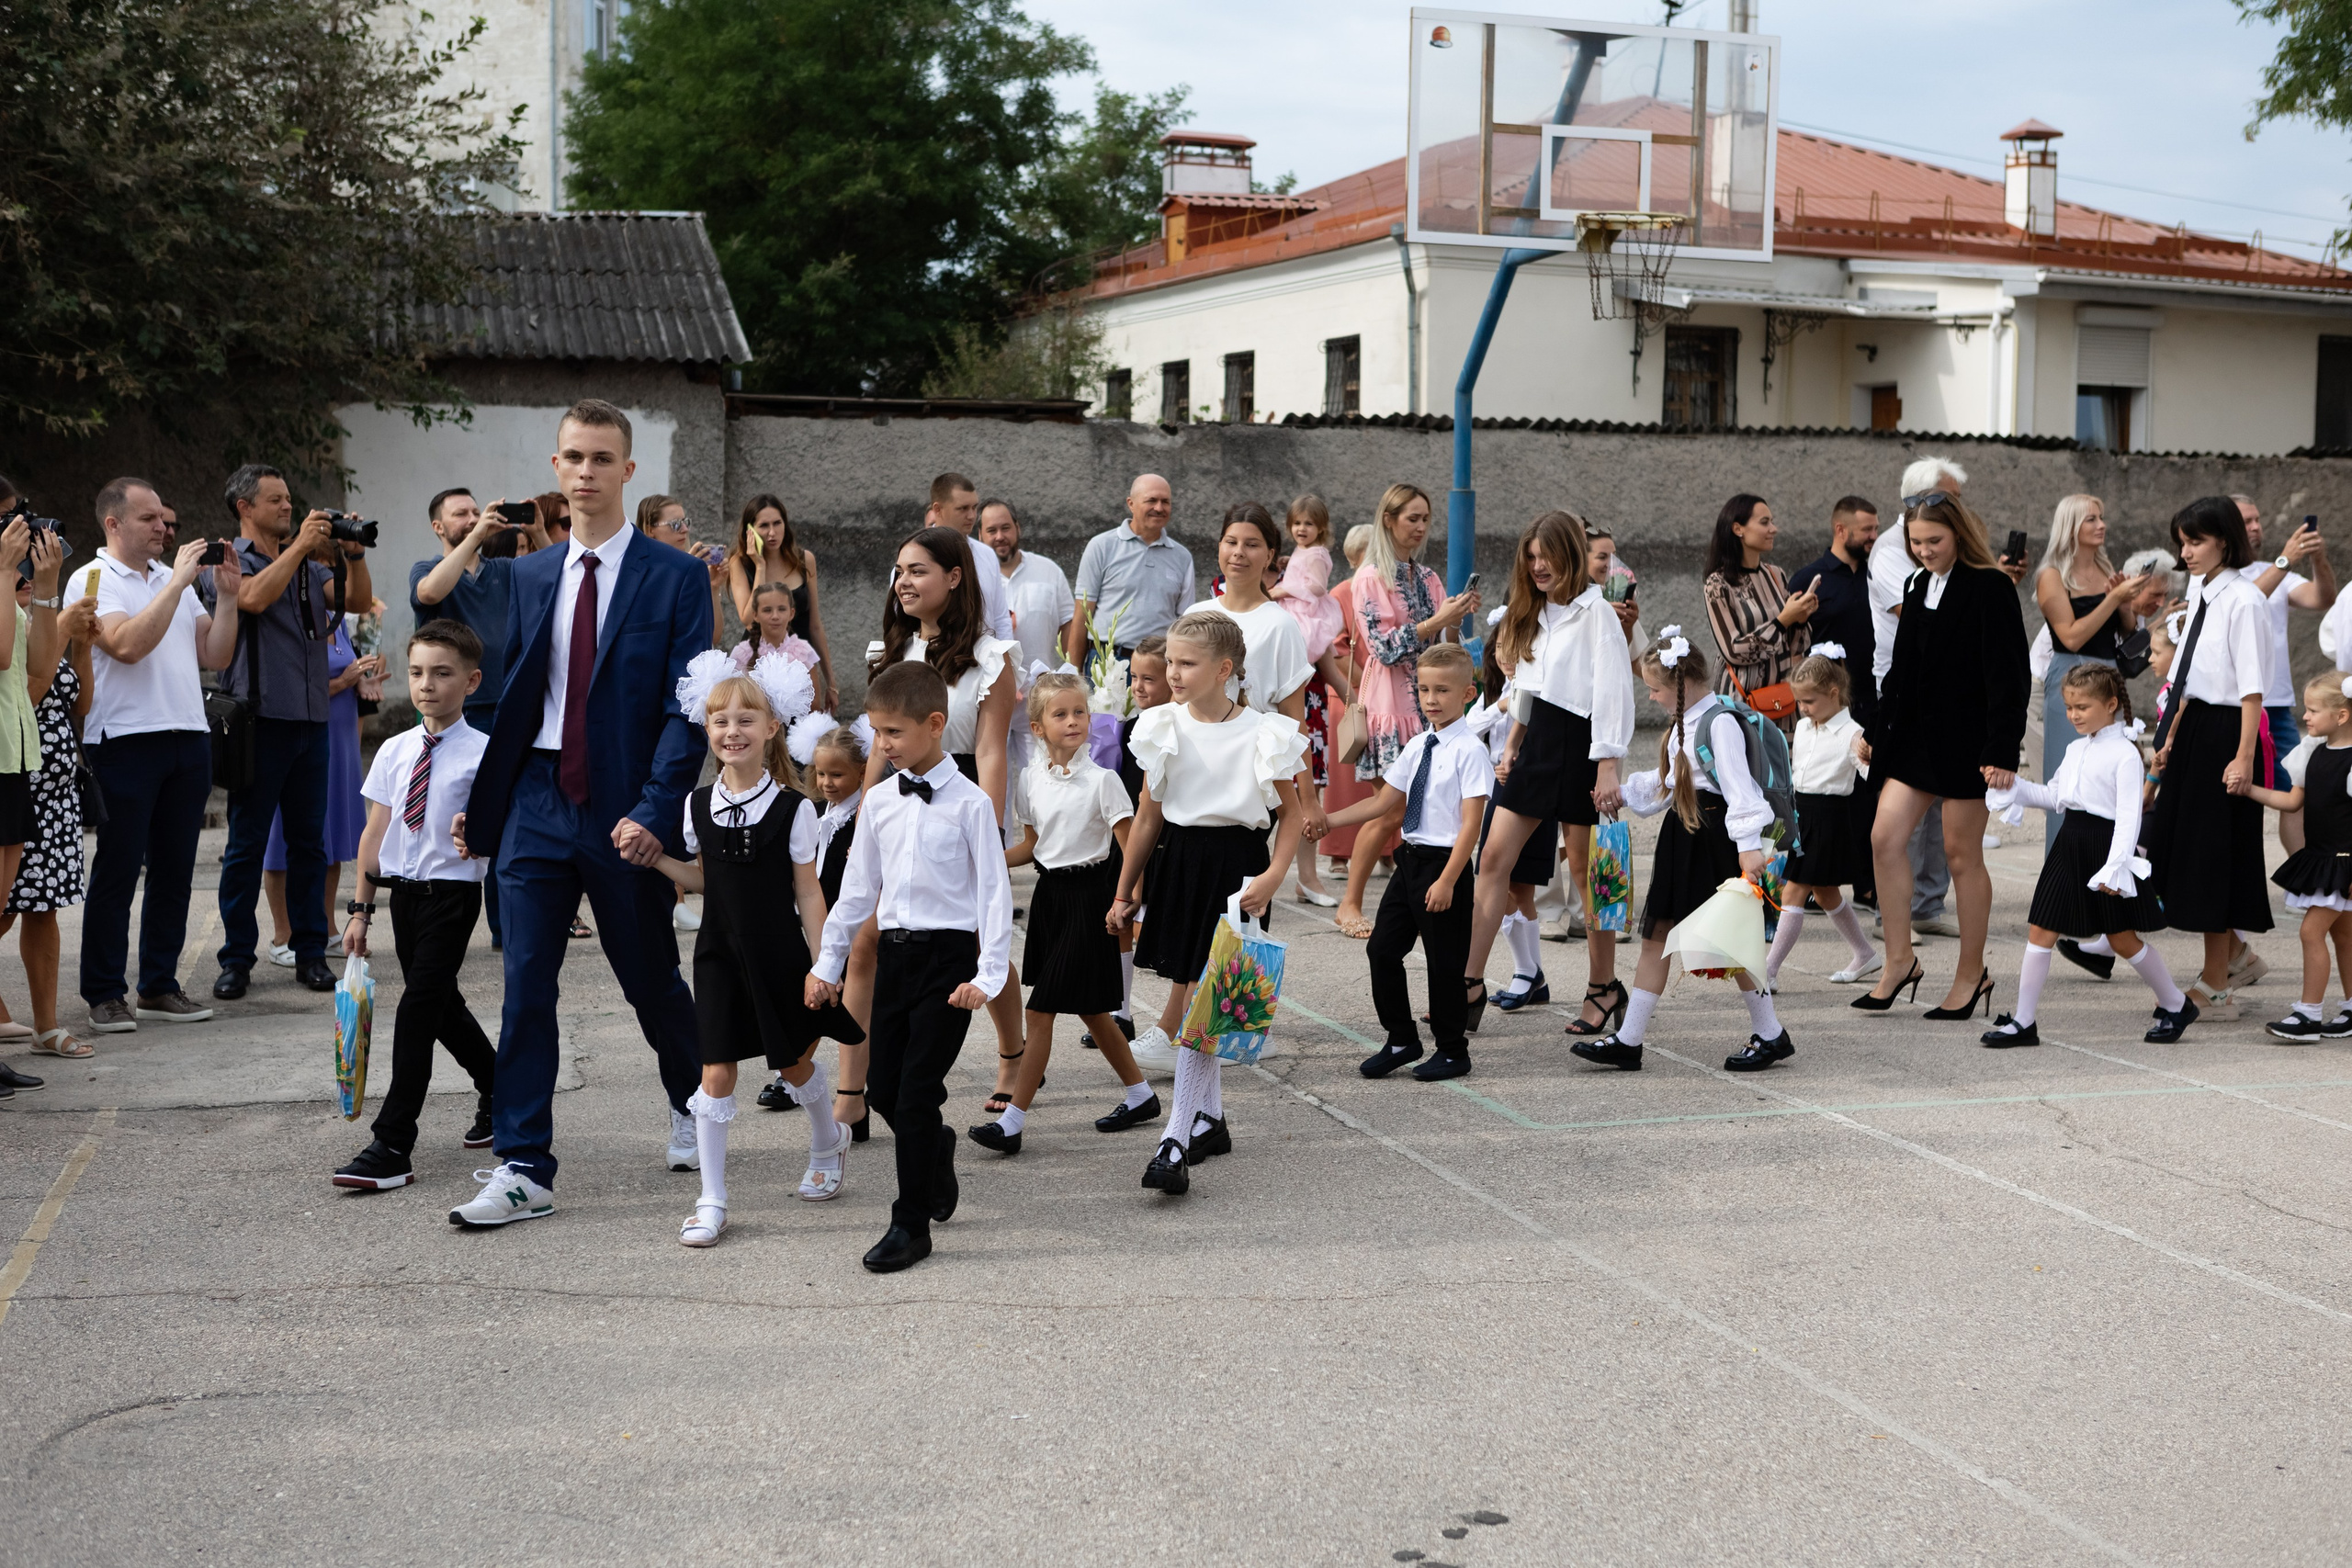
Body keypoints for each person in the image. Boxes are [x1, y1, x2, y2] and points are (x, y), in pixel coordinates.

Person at [449, 399, 714, 1230]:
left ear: (627, 472)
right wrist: (481, 802)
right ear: (557, 470)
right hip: (535, 803)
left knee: (649, 979)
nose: (588, 471)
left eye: (603, 458)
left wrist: (656, 807)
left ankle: (691, 1099)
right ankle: (524, 1162)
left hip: (625, 808)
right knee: (525, 981)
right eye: (574, 457)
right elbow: (513, 699)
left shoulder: (675, 576)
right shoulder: (528, 576)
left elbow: (689, 706)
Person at [808, 660, 1014, 1273]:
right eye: (876, 732)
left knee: (918, 1089)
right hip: (895, 954)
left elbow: (993, 893)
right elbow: (856, 888)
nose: (882, 745)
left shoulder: (971, 803)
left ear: (934, 724)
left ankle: (910, 1223)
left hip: (949, 961)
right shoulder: (878, 803)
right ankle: (935, 1149)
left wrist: (988, 974)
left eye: (893, 732)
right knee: (883, 1088)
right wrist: (829, 960)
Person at [650, 649, 859, 1247]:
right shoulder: (696, 807)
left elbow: (810, 893)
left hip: (777, 956)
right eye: (720, 720)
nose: (732, 730)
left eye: (746, 719)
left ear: (772, 728)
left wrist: (825, 965)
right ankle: (712, 1198)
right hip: (717, 956)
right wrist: (657, 858)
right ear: (707, 729)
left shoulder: (795, 809)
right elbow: (705, 879)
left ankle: (828, 1138)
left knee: (792, 1065)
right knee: (714, 1072)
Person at [1109, 609, 1310, 1194]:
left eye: (1186, 663)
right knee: (1203, 998)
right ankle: (1211, 1120)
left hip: (1236, 875)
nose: (1171, 673)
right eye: (1168, 661)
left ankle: (1174, 1140)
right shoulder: (1159, 725)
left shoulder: (1263, 732)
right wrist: (1126, 890)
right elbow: (1147, 816)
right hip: (1178, 868)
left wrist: (1274, 875)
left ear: (1224, 670)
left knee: (1206, 1005)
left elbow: (1291, 817)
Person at [329, 621, 501, 1190]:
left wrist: (477, 834)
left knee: (418, 1009)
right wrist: (359, 911)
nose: (427, 685)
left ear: (471, 681)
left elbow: (499, 833)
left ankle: (393, 1143)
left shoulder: (485, 755)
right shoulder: (395, 750)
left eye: (443, 673)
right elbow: (373, 836)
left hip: (453, 897)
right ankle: (499, 1086)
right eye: (418, 673)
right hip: (403, 899)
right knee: (441, 1005)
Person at [1584, 632, 1794, 1074]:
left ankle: (1771, 1033)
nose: (1652, 696)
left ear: (1682, 683)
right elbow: (1671, 785)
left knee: (1730, 944)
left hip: (1714, 838)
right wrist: (1622, 792)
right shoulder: (1686, 724)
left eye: (1656, 688)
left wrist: (1749, 849)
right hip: (1684, 833)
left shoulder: (1719, 723)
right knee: (1657, 935)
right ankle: (1629, 1040)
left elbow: (1740, 790)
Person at [1856, 493, 2030, 1020]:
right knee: (1884, 838)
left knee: (1961, 855)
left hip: (1969, 745)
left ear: (1958, 534)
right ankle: (1898, 960)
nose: (1925, 550)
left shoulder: (1991, 587)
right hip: (1913, 740)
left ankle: (1971, 973)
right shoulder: (1915, 583)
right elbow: (1902, 673)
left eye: (1935, 540)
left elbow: (2010, 675)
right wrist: (1878, 734)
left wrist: (2001, 749)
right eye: (1916, 542)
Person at [869, 526, 1024, 1112]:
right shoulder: (893, 648)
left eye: (918, 571)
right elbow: (878, 739)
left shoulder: (990, 658)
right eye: (900, 571)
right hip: (895, 795)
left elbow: (990, 751)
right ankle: (862, 1083)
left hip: (959, 796)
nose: (903, 582)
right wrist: (863, 809)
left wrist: (986, 828)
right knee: (876, 934)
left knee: (981, 933)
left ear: (954, 578)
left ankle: (1012, 1054)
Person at [1463, 512, 1633, 1033]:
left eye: (1547, 556)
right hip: (1535, 747)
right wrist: (1512, 744)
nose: (1538, 566)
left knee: (1589, 876)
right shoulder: (1530, 612)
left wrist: (1607, 766)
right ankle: (1467, 983)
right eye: (1530, 557)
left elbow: (1613, 692)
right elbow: (1527, 690)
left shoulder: (1597, 614)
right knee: (1492, 857)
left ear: (1570, 556)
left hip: (1583, 746)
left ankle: (1603, 987)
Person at [83, 478, 243, 1034]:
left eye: (164, 519)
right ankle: (104, 993)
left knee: (175, 871)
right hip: (125, 739)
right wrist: (176, 583)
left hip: (186, 734)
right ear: (114, 523)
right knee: (120, 869)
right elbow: (125, 646)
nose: (163, 528)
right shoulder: (95, 578)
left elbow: (215, 653)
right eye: (149, 519)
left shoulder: (167, 581)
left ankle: (157, 985)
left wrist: (226, 596)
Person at [972, 671, 1155, 1154]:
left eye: (1080, 712)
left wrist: (1125, 898)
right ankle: (1141, 1095)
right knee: (1094, 1011)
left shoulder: (1104, 781)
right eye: (1060, 714)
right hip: (1050, 901)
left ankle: (1011, 1123)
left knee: (1042, 1010)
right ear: (1037, 728)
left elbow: (1130, 846)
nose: (1073, 721)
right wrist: (981, 859)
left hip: (1092, 898)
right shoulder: (1029, 780)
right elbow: (1032, 847)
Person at [214, 463, 374, 999]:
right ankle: (236, 959)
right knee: (247, 845)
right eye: (276, 500)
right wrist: (301, 547)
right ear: (245, 507)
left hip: (312, 721)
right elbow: (253, 599)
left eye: (289, 499)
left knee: (311, 844)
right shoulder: (229, 559)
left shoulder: (306, 565)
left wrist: (353, 554)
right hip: (259, 722)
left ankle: (310, 953)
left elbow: (353, 603)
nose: (288, 507)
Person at [1982, 663, 2196, 1046]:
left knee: (2122, 940)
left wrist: (2116, 868)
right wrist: (2014, 785)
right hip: (2070, 844)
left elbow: (2129, 818)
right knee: (2041, 928)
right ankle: (2024, 1021)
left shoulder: (2126, 755)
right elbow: (2055, 797)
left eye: (2082, 706)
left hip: (2105, 848)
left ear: (2111, 704)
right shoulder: (2075, 747)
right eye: (2068, 707)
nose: (2073, 715)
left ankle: (2176, 1003)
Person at [1325, 642, 1487, 1081]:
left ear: (1467, 694)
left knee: (1444, 963)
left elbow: (1471, 825)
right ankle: (1401, 1037)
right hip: (1410, 861)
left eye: (1442, 691)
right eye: (1424, 690)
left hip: (1444, 865)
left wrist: (1450, 879)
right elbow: (1385, 803)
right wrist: (1328, 820)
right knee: (1382, 949)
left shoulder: (1470, 750)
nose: (1431, 700)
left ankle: (1453, 1050)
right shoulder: (1419, 745)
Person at [2143, 496, 2275, 1023]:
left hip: (2227, 734)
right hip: (2196, 725)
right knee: (2188, 855)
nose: (2187, 551)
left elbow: (2250, 691)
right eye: (2182, 541)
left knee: (2216, 857)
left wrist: (2243, 758)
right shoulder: (2200, 590)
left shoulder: (2245, 600)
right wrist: (2171, 733)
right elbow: (2191, 672)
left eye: (2195, 540)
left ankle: (2217, 981)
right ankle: (2227, 965)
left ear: (2224, 539)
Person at [1336, 484, 1478, 940]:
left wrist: (1454, 617)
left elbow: (1442, 646)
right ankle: (1350, 902)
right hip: (1390, 706)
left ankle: (1398, 898)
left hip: (1428, 707)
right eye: (1411, 518)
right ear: (1389, 520)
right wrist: (1438, 622)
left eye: (1424, 519)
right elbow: (1383, 647)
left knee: (1413, 813)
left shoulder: (1428, 577)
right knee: (1390, 812)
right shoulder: (1370, 576)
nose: (1419, 527)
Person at [412, 488, 546, 952]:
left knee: (507, 816)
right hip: (454, 714)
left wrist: (539, 530)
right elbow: (430, 593)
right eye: (460, 514)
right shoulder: (428, 569)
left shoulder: (506, 569)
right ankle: (443, 919)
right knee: (452, 817)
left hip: (506, 708)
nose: (472, 518)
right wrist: (474, 538)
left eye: (476, 510)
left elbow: (556, 574)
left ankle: (504, 927)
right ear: (438, 526)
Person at [0, 526, 98, 1064]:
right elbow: (28, 689)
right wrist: (58, 627)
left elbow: (77, 703)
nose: (29, 591)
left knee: (43, 908)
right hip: (20, 782)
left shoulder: (39, 624)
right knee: (5, 909)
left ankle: (45, 1025)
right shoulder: (20, 625)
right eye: (23, 583)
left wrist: (80, 645)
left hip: (56, 788)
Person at [1869, 457, 1974, 939]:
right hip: (1906, 697)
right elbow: (1914, 620)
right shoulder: (1893, 553)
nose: (1958, 507)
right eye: (1949, 497)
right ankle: (1897, 917)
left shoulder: (1971, 570)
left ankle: (1929, 906)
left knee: (1944, 825)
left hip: (1952, 704)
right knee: (1899, 825)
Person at [1186, 502, 1322, 843]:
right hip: (1194, 763)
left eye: (1252, 544)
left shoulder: (1280, 625)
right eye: (1231, 542)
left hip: (1251, 776)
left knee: (1241, 878)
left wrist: (1308, 800)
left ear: (1270, 555)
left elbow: (1294, 718)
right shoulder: (1196, 615)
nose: (1238, 553)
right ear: (1219, 546)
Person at [767, 718, 874, 1136]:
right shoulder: (817, 813)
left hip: (855, 926)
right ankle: (806, 1075)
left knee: (837, 1007)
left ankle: (810, 1078)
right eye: (821, 774)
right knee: (820, 1003)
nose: (827, 783)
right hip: (822, 924)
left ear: (863, 772)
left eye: (838, 774)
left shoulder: (863, 818)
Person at [259, 612, 378, 964]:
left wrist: (363, 684)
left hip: (339, 740)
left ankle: (326, 928)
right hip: (303, 737)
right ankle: (284, 934)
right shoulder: (289, 618)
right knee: (283, 840)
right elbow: (289, 687)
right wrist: (344, 682)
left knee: (332, 838)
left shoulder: (336, 621)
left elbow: (351, 671)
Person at [2032, 495, 2146, 850]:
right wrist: (2112, 600)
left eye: (2102, 517)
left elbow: (2125, 631)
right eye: (2091, 520)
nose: (2102, 525)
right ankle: (2064, 868)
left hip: (2107, 675)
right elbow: (2070, 635)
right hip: (2072, 675)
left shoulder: (2104, 567)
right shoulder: (2051, 576)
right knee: (2070, 779)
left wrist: (2125, 604)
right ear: (2071, 527)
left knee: (2108, 776)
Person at [1764, 652, 1880, 988]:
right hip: (1803, 815)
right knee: (1826, 893)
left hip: (1829, 818)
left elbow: (1870, 772)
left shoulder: (1852, 733)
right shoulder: (1802, 726)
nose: (1803, 708)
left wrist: (1872, 757)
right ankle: (1865, 954)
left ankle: (1769, 970)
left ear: (1833, 693)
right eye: (1799, 701)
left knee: (1793, 892)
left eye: (1809, 701)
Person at [2248, 674, 2352, 1039]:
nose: (2304, 716)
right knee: (2344, 936)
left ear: (2341, 716)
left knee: (2311, 931)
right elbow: (2292, 802)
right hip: (2323, 858)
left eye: (2312, 710)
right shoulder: (2312, 750)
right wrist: (2250, 790)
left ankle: (2309, 1015)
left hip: (2344, 863)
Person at [2236, 493, 2337, 858]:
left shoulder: (2277, 569)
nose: (2256, 526)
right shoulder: (2212, 575)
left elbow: (2321, 598)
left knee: (2297, 794)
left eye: (2257, 519)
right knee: (2235, 791)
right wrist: (2286, 559)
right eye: (2246, 520)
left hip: (2276, 705)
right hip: (2235, 704)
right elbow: (2244, 601)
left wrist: (2317, 558)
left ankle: (2304, 879)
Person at [1271, 495, 1352, 906]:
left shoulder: (1303, 578)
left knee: (1310, 792)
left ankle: (1307, 878)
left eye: (1309, 523)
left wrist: (1355, 697)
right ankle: (1271, 878)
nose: (1302, 529)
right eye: (1296, 523)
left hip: (1311, 701)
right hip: (1275, 701)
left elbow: (1329, 665)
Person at [0, 522, 62, 1042]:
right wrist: (3, 571)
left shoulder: (9, 593)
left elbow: (40, 667)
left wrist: (44, 590)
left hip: (15, 758)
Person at [1069, 474, 1196, 679]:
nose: (1159, 507)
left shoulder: (1182, 557)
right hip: (1107, 663)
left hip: (1158, 667)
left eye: (1166, 502)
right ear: (1131, 504)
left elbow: (1184, 622)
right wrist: (1072, 673)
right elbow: (1083, 614)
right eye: (1151, 500)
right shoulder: (1101, 546)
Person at [1702, 493, 1812, 731]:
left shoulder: (1776, 575)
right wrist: (1783, 621)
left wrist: (1800, 620)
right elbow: (1734, 650)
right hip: (1741, 705)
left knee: (1784, 766)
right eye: (1764, 522)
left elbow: (1794, 648)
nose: (1774, 529)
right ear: (1738, 528)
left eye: (1772, 521)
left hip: (1783, 703)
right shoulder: (1717, 584)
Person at [729, 493, 839, 712]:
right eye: (763, 526)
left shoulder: (803, 560)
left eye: (777, 523)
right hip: (758, 662)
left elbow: (814, 623)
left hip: (800, 663)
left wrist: (831, 683)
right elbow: (749, 622)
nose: (772, 532)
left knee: (804, 735)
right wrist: (759, 567)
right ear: (750, 531)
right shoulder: (740, 563)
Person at [1317, 525, 1382, 891]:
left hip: (1383, 697)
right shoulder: (1342, 592)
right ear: (1355, 555)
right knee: (1347, 777)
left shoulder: (1382, 589)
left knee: (1381, 778)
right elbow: (1337, 649)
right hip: (1350, 694)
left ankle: (1387, 848)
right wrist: (1367, 687)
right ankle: (1340, 852)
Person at [1111, 634, 1169, 1041]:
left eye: (1149, 678)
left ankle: (1178, 1020)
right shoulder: (1129, 728)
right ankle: (1122, 1011)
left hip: (1167, 843)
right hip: (1130, 838)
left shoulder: (1180, 725)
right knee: (1120, 925)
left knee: (1161, 930)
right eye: (1134, 676)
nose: (1138, 686)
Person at [1785, 497, 1880, 727]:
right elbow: (1791, 646)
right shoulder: (1808, 579)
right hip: (1829, 705)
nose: (1874, 537)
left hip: (1876, 700)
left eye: (1876, 529)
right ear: (1841, 530)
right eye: (1867, 529)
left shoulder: (1877, 574)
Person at [981, 498, 1076, 676]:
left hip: (1043, 688)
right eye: (991, 530)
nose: (1000, 536)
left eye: (1006, 528)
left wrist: (1073, 673)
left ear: (1018, 528)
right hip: (991, 689)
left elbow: (1068, 624)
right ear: (980, 535)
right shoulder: (975, 578)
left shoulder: (1049, 571)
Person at [922, 472, 1016, 645]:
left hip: (985, 666)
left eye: (974, 507)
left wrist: (1007, 664)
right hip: (932, 664)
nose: (972, 516)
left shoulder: (987, 554)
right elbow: (901, 621)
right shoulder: (914, 554)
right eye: (963, 508)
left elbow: (1001, 619)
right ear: (938, 509)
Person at [638, 494, 729, 649]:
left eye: (685, 522)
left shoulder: (691, 568)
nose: (685, 529)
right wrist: (685, 577)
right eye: (675, 524)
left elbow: (714, 636)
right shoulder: (640, 572)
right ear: (649, 530)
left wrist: (713, 587)